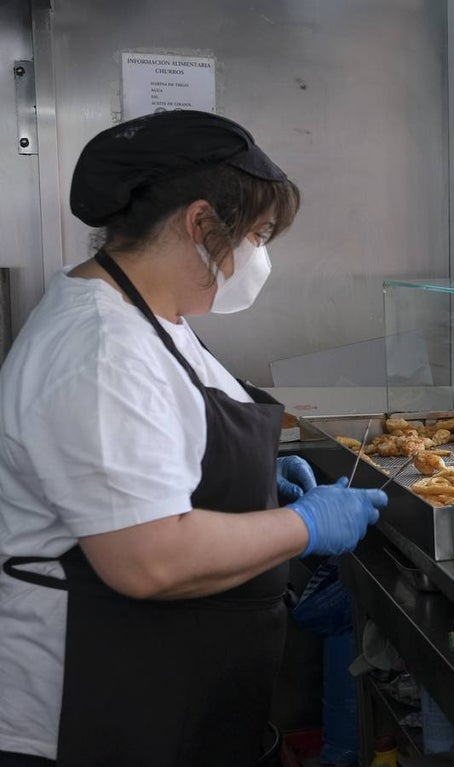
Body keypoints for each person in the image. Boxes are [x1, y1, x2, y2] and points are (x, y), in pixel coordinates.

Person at [0, 110, 388, 767]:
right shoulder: (101, 345)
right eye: (259, 235)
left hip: (168, 691)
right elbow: (148, 557)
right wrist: (304, 525)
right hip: (96, 716)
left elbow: (169, 449)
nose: (261, 258)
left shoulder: (154, 314)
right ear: (202, 223)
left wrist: (261, 486)